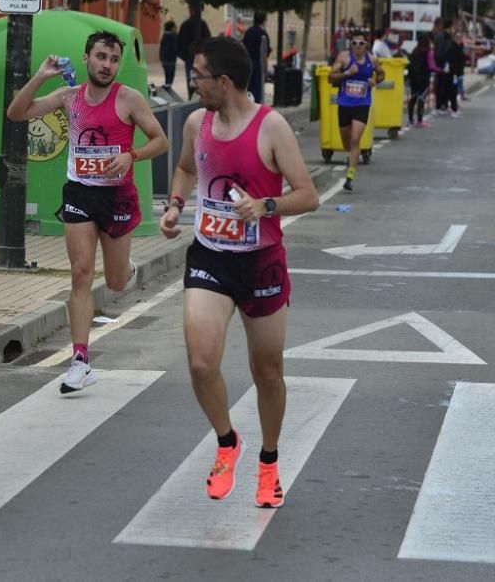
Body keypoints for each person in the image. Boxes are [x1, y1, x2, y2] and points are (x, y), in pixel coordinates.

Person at [159, 36, 319, 509]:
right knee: (200, 362)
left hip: (261, 262)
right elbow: (187, 169)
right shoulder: (195, 123)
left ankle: (268, 462)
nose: (193, 84)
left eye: (199, 76)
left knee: (267, 371)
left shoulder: (271, 128)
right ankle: (228, 443)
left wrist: (266, 204)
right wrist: (174, 205)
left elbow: (307, 194)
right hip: (210, 256)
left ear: (223, 82)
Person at [7, 30, 169, 394]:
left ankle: (124, 267)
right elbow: (17, 113)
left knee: (113, 283)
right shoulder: (69, 97)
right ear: (86, 59)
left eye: (113, 59)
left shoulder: (129, 99)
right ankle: (80, 360)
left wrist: (132, 155)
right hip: (79, 192)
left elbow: (161, 140)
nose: (107, 65)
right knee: (80, 273)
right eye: (101, 57)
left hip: (117, 197)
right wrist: (40, 75)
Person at [328, 30, 383, 192]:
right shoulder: (344, 58)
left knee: (354, 139)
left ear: (366, 45)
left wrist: (375, 81)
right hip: (344, 104)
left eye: (361, 43)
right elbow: (331, 77)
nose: (357, 46)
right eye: (354, 43)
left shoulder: (372, 60)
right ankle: (352, 157)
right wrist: (347, 73)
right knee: (346, 143)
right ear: (350, 45)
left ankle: (350, 176)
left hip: (362, 103)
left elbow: (381, 74)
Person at [178, 6, 212, 99]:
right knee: (199, 77)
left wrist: (184, 56)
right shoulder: (202, 24)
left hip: (190, 57)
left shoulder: (186, 24)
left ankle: (191, 97)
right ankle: (198, 97)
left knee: (191, 78)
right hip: (196, 57)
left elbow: (179, 42)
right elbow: (208, 40)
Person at [242, 11, 269, 104]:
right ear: (264, 21)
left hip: (247, 62)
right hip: (258, 63)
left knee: (248, 86)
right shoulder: (263, 33)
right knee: (257, 88)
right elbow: (266, 51)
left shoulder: (248, 32)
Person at [407, 33, 432, 128]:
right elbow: (430, 65)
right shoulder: (427, 52)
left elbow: (410, 65)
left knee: (413, 99)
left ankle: (410, 120)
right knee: (421, 99)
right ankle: (420, 120)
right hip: (423, 79)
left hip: (414, 79)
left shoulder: (414, 51)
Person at [159, 20, 179, 89]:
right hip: (171, 59)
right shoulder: (174, 36)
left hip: (164, 58)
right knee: (171, 73)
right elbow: (176, 48)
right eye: (175, 27)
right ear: (172, 28)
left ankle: (167, 84)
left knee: (167, 73)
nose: (176, 28)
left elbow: (161, 48)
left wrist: (161, 57)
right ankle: (169, 85)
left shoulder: (164, 36)